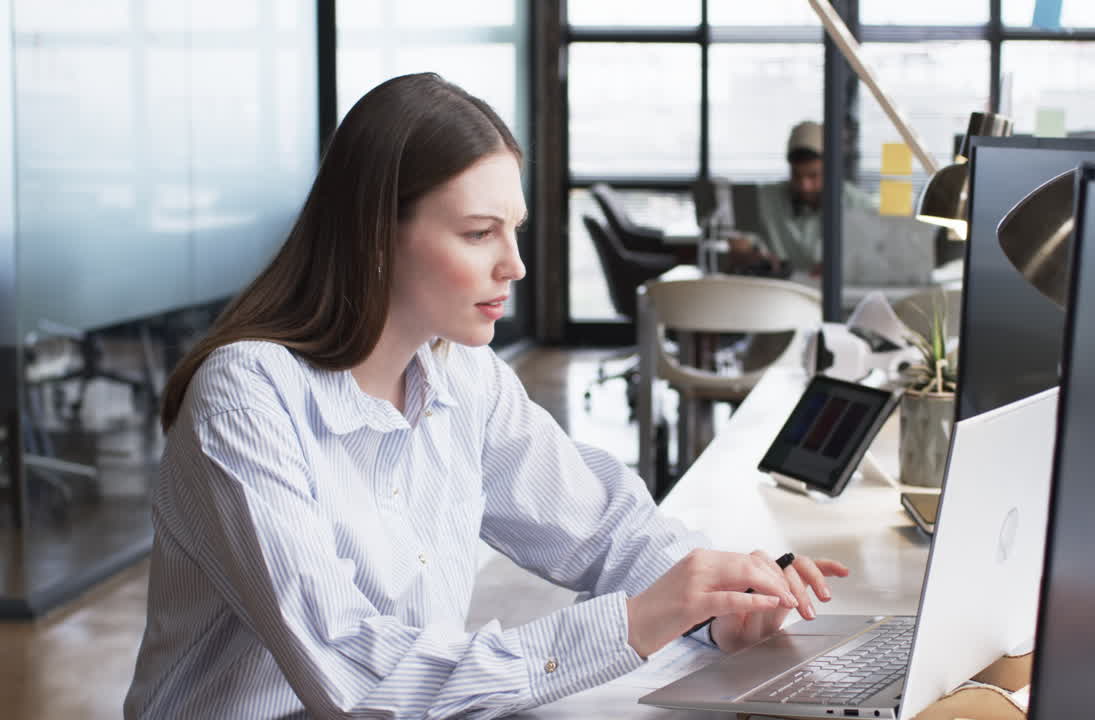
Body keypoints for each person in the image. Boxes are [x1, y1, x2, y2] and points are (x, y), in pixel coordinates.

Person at [124, 73, 849, 719]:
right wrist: (631, 624)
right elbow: (353, 676)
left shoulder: (460, 377)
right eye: (479, 233)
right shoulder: (247, 398)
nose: (516, 264)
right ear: (377, 236)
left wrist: (724, 604)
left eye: (515, 230)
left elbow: (604, 530)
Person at [730, 120, 876, 277]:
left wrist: (844, 267)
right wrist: (749, 255)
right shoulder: (764, 199)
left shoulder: (859, 205)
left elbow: (875, 258)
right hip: (779, 293)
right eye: (796, 175)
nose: (804, 185)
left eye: (813, 176)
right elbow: (738, 239)